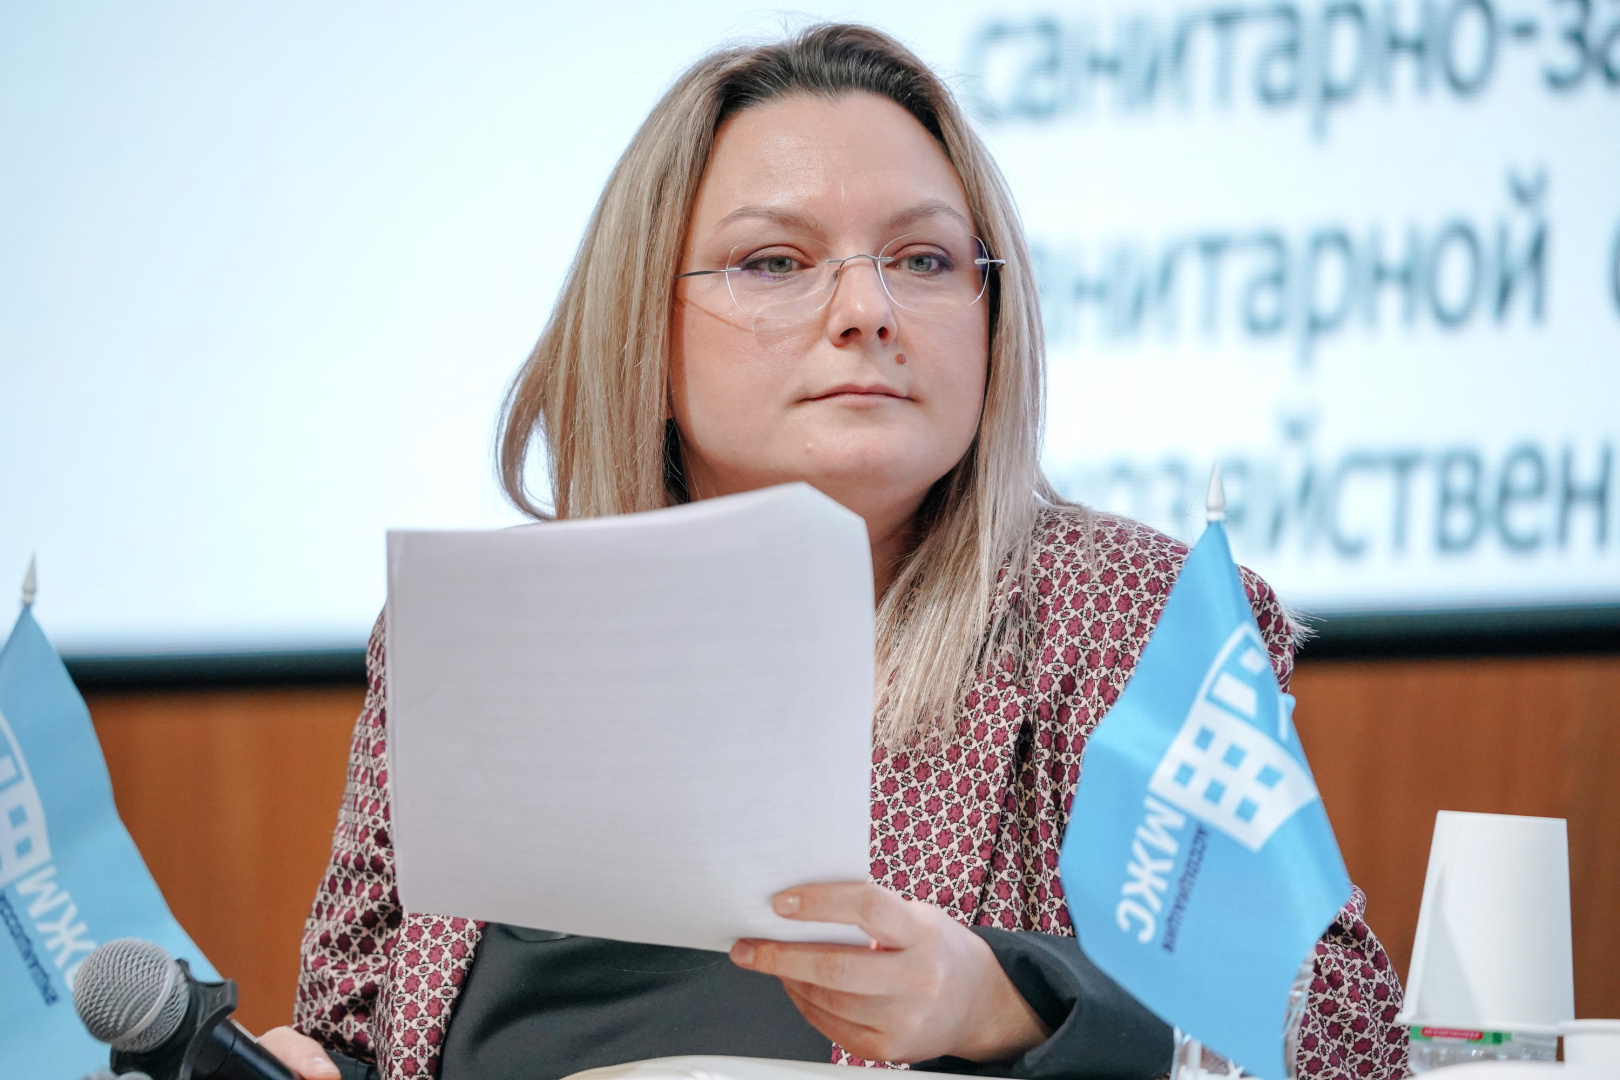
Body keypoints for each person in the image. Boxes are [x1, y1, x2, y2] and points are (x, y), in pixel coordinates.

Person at [261, 24, 1409, 1080]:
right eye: (775, 262)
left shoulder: (1124, 613)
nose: (868, 310)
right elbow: (352, 1033)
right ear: (643, 332)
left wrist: (1002, 1004)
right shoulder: (480, 636)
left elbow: (1331, 1040)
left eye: (924, 260)